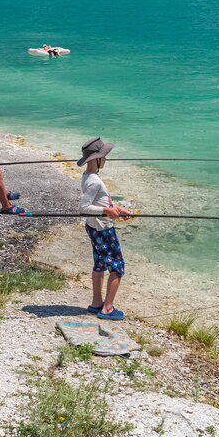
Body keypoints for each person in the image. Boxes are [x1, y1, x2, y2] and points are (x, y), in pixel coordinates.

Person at [78, 137, 132, 320]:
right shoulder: (94, 182)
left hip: (94, 228)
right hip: (103, 229)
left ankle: (96, 303)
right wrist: (107, 210)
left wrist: (116, 209)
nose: (106, 159)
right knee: (118, 267)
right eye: (104, 156)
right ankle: (107, 308)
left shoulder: (88, 177)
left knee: (100, 263)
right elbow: (84, 208)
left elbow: (101, 202)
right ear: (97, 159)